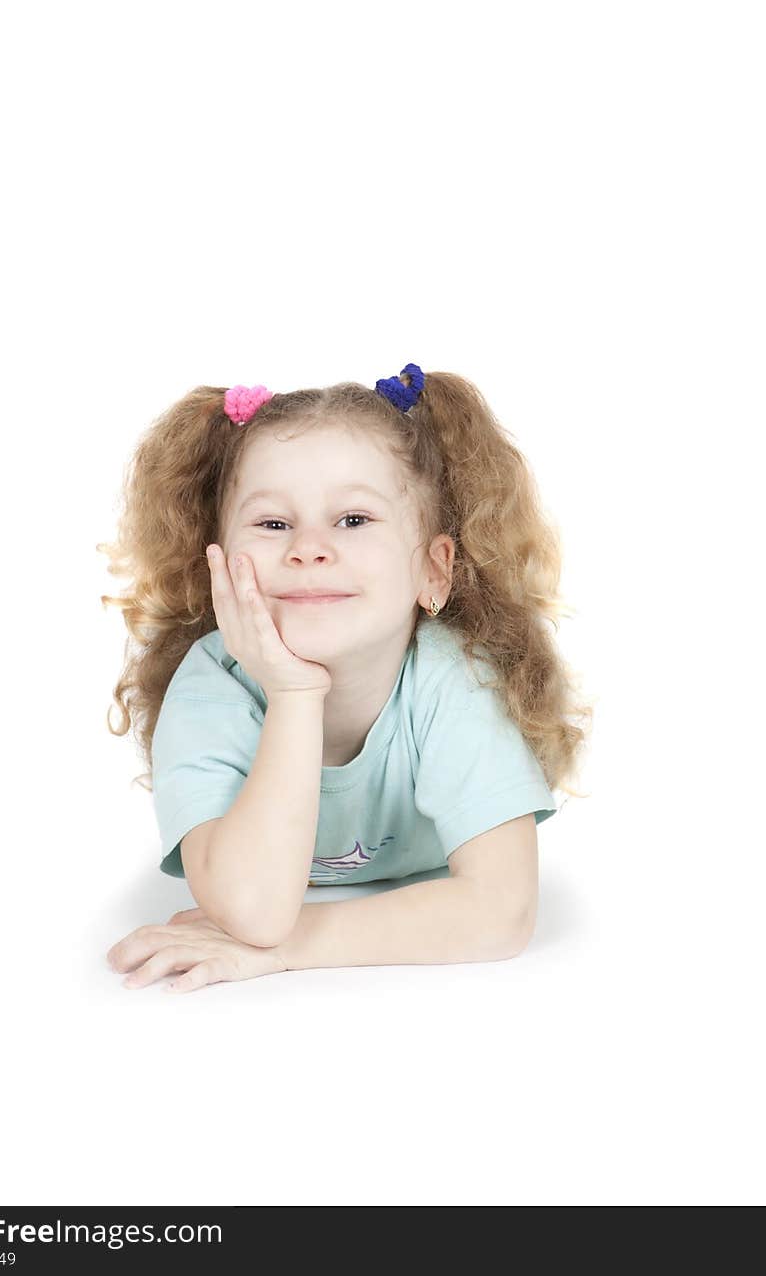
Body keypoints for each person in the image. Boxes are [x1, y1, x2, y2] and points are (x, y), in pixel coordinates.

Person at [100, 365, 593, 992]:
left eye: (354, 519)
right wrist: (294, 693)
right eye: (273, 524)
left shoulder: (453, 679)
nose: (309, 548)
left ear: (434, 572)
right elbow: (253, 909)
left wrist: (290, 948)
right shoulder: (207, 691)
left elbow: (503, 913)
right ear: (217, 567)